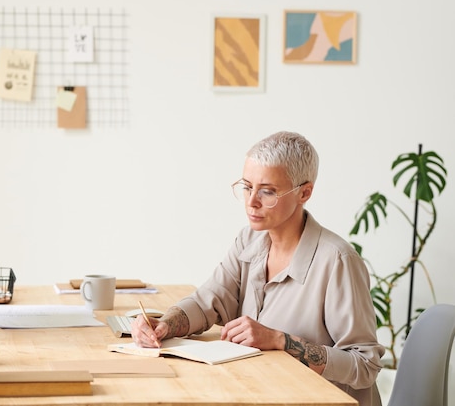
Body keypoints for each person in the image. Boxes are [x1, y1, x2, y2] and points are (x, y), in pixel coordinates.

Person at [132, 131, 384, 406]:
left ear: (304, 192)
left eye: (268, 191)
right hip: (261, 392)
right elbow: (209, 301)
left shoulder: (337, 260)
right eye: (246, 186)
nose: (251, 201)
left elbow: (365, 365)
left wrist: (280, 341)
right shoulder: (249, 240)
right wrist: (165, 325)